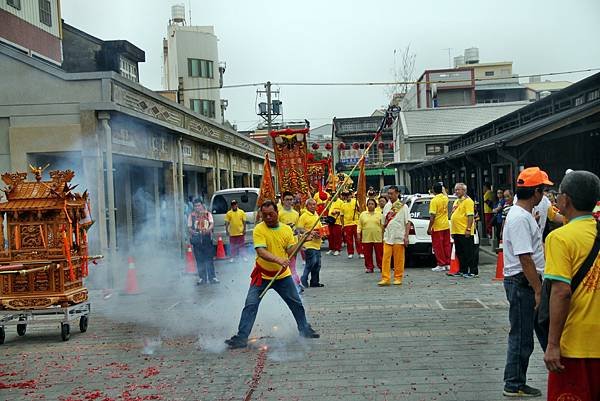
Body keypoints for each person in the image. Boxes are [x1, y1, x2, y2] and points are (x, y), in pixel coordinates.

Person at [225, 200, 319, 349]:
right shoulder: (259, 229)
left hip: (282, 276)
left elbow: (290, 251)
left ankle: (304, 329)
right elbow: (261, 251)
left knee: (296, 304)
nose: (268, 217)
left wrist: (301, 241)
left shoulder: (286, 230)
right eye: (265, 215)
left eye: (271, 214)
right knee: (250, 305)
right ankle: (241, 337)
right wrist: (278, 259)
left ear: (277, 213)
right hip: (262, 275)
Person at [543, 170, 600, 401]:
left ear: (565, 200)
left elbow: (561, 292)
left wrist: (552, 344)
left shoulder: (560, 238)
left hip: (575, 344)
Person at [501, 167, 553, 398]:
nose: (545, 196)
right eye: (543, 190)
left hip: (525, 283)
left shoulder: (521, 215)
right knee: (522, 337)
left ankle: (558, 372)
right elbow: (525, 258)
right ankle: (513, 383)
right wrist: (539, 290)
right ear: (536, 192)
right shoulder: (520, 218)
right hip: (524, 283)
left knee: (543, 331)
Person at [379, 185, 410, 286]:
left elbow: (407, 222)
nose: (390, 195)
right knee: (386, 258)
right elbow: (383, 222)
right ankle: (385, 278)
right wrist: (382, 235)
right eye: (388, 194)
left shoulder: (403, 206)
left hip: (399, 236)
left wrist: (406, 236)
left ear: (397, 193)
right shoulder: (386, 206)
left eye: (391, 194)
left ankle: (398, 277)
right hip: (388, 236)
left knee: (399, 259)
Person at [448, 183, 477, 278]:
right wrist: (452, 231)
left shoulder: (468, 201)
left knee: (469, 252)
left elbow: (470, 216)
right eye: (455, 189)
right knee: (460, 253)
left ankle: (473, 271)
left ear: (464, 191)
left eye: (458, 190)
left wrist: (468, 229)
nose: (456, 191)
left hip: (464, 230)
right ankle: (462, 270)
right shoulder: (456, 201)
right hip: (456, 231)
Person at [187, 200, 218, 285]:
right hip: (196, 240)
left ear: (202, 205)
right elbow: (189, 227)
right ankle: (202, 278)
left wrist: (208, 230)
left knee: (209, 258)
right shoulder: (191, 216)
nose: (197, 207)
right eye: (196, 206)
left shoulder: (208, 214)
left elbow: (211, 224)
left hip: (207, 238)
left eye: (199, 205)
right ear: (194, 207)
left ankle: (212, 277)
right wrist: (193, 232)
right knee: (199, 259)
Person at [297, 199, 324, 288]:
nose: (313, 206)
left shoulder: (316, 214)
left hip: (317, 243)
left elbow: (319, 226)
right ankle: (304, 277)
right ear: (307, 206)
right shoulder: (304, 216)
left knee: (317, 264)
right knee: (311, 262)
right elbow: (300, 228)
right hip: (308, 243)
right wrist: (311, 232)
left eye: (314, 204)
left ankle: (315, 282)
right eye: (311, 205)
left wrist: (322, 232)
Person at [278, 191, 302, 291]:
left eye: (291, 199)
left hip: (293, 242)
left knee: (292, 264)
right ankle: (291, 283)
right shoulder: (279, 213)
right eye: (287, 200)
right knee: (285, 264)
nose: (289, 201)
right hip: (282, 243)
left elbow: (298, 229)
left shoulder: (296, 214)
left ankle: (296, 283)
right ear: (283, 201)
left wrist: (300, 238)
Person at [428, 182, 451, 272]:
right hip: (446, 225)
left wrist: (429, 227)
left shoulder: (434, 201)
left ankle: (441, 263)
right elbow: (446, 194)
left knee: (438, 246)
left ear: (433, 190)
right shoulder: (445, 198)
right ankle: (448, 263)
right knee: (446, 245)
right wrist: (443, 189)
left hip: (437, 226)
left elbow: (432, 216)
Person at [358, 198, 383, 273]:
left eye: (372, 204)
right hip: (366, 237)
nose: (370, 205)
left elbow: (383, 225)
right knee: (367, 254)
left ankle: (381, 266)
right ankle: (369, 267)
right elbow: (359, 225)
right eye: (369, 204)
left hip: (378, 237)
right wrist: (358, 234)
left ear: (375, 205)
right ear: (367, 205)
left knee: (379, 254)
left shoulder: (379, 214)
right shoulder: (363, 214)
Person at [340, 190, 363, 259]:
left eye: (348, 195)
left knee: (358, 239)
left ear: (351, 195)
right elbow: (341, 216)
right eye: (345, 195)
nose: (347, 196)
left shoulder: (355, 201)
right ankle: (350, 253)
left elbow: (359, 210)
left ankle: (360, 252)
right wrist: (343, 225)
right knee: (349, 240)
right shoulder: (343, 205)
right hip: (347, 224)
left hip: (356, 223)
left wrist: (358, 207)